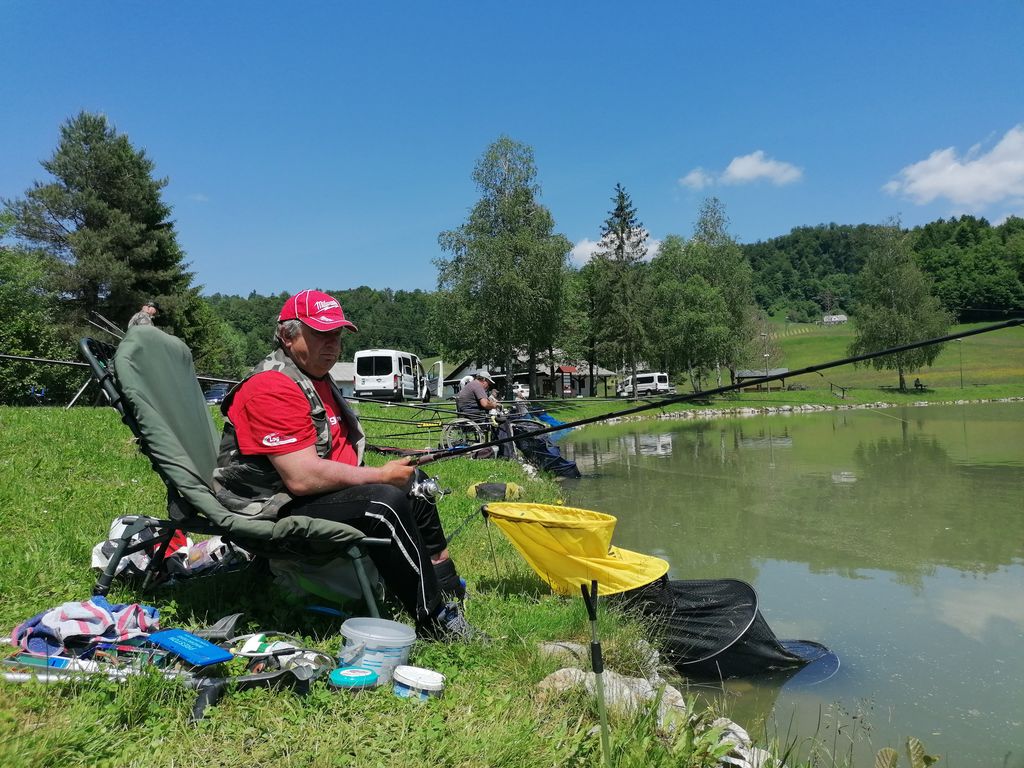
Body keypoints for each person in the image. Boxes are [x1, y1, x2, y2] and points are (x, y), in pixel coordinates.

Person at [212, 289, 477, 641]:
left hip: (303, 494)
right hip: (269, 506)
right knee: (385, 501)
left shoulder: (316, 376)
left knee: (414, 483)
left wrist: (389, 475)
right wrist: (379, 476)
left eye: (336, 334)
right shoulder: (272, 386)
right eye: (320, 334)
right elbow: (301, 478)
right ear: (288, 336)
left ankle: (446, 586)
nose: (333, 344)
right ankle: (435, 621)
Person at [455, 370, 516, 459]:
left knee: (498, 419)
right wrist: (494, 405)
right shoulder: (477, 386)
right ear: (483, 380)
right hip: (475, 417)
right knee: (503, 421)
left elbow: (485, 401)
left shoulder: (472, 385)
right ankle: (507, 454)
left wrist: (492, 403)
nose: (488, 386)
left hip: (470, 414)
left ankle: (498, 448)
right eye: (488, 383)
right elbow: (485, 404)